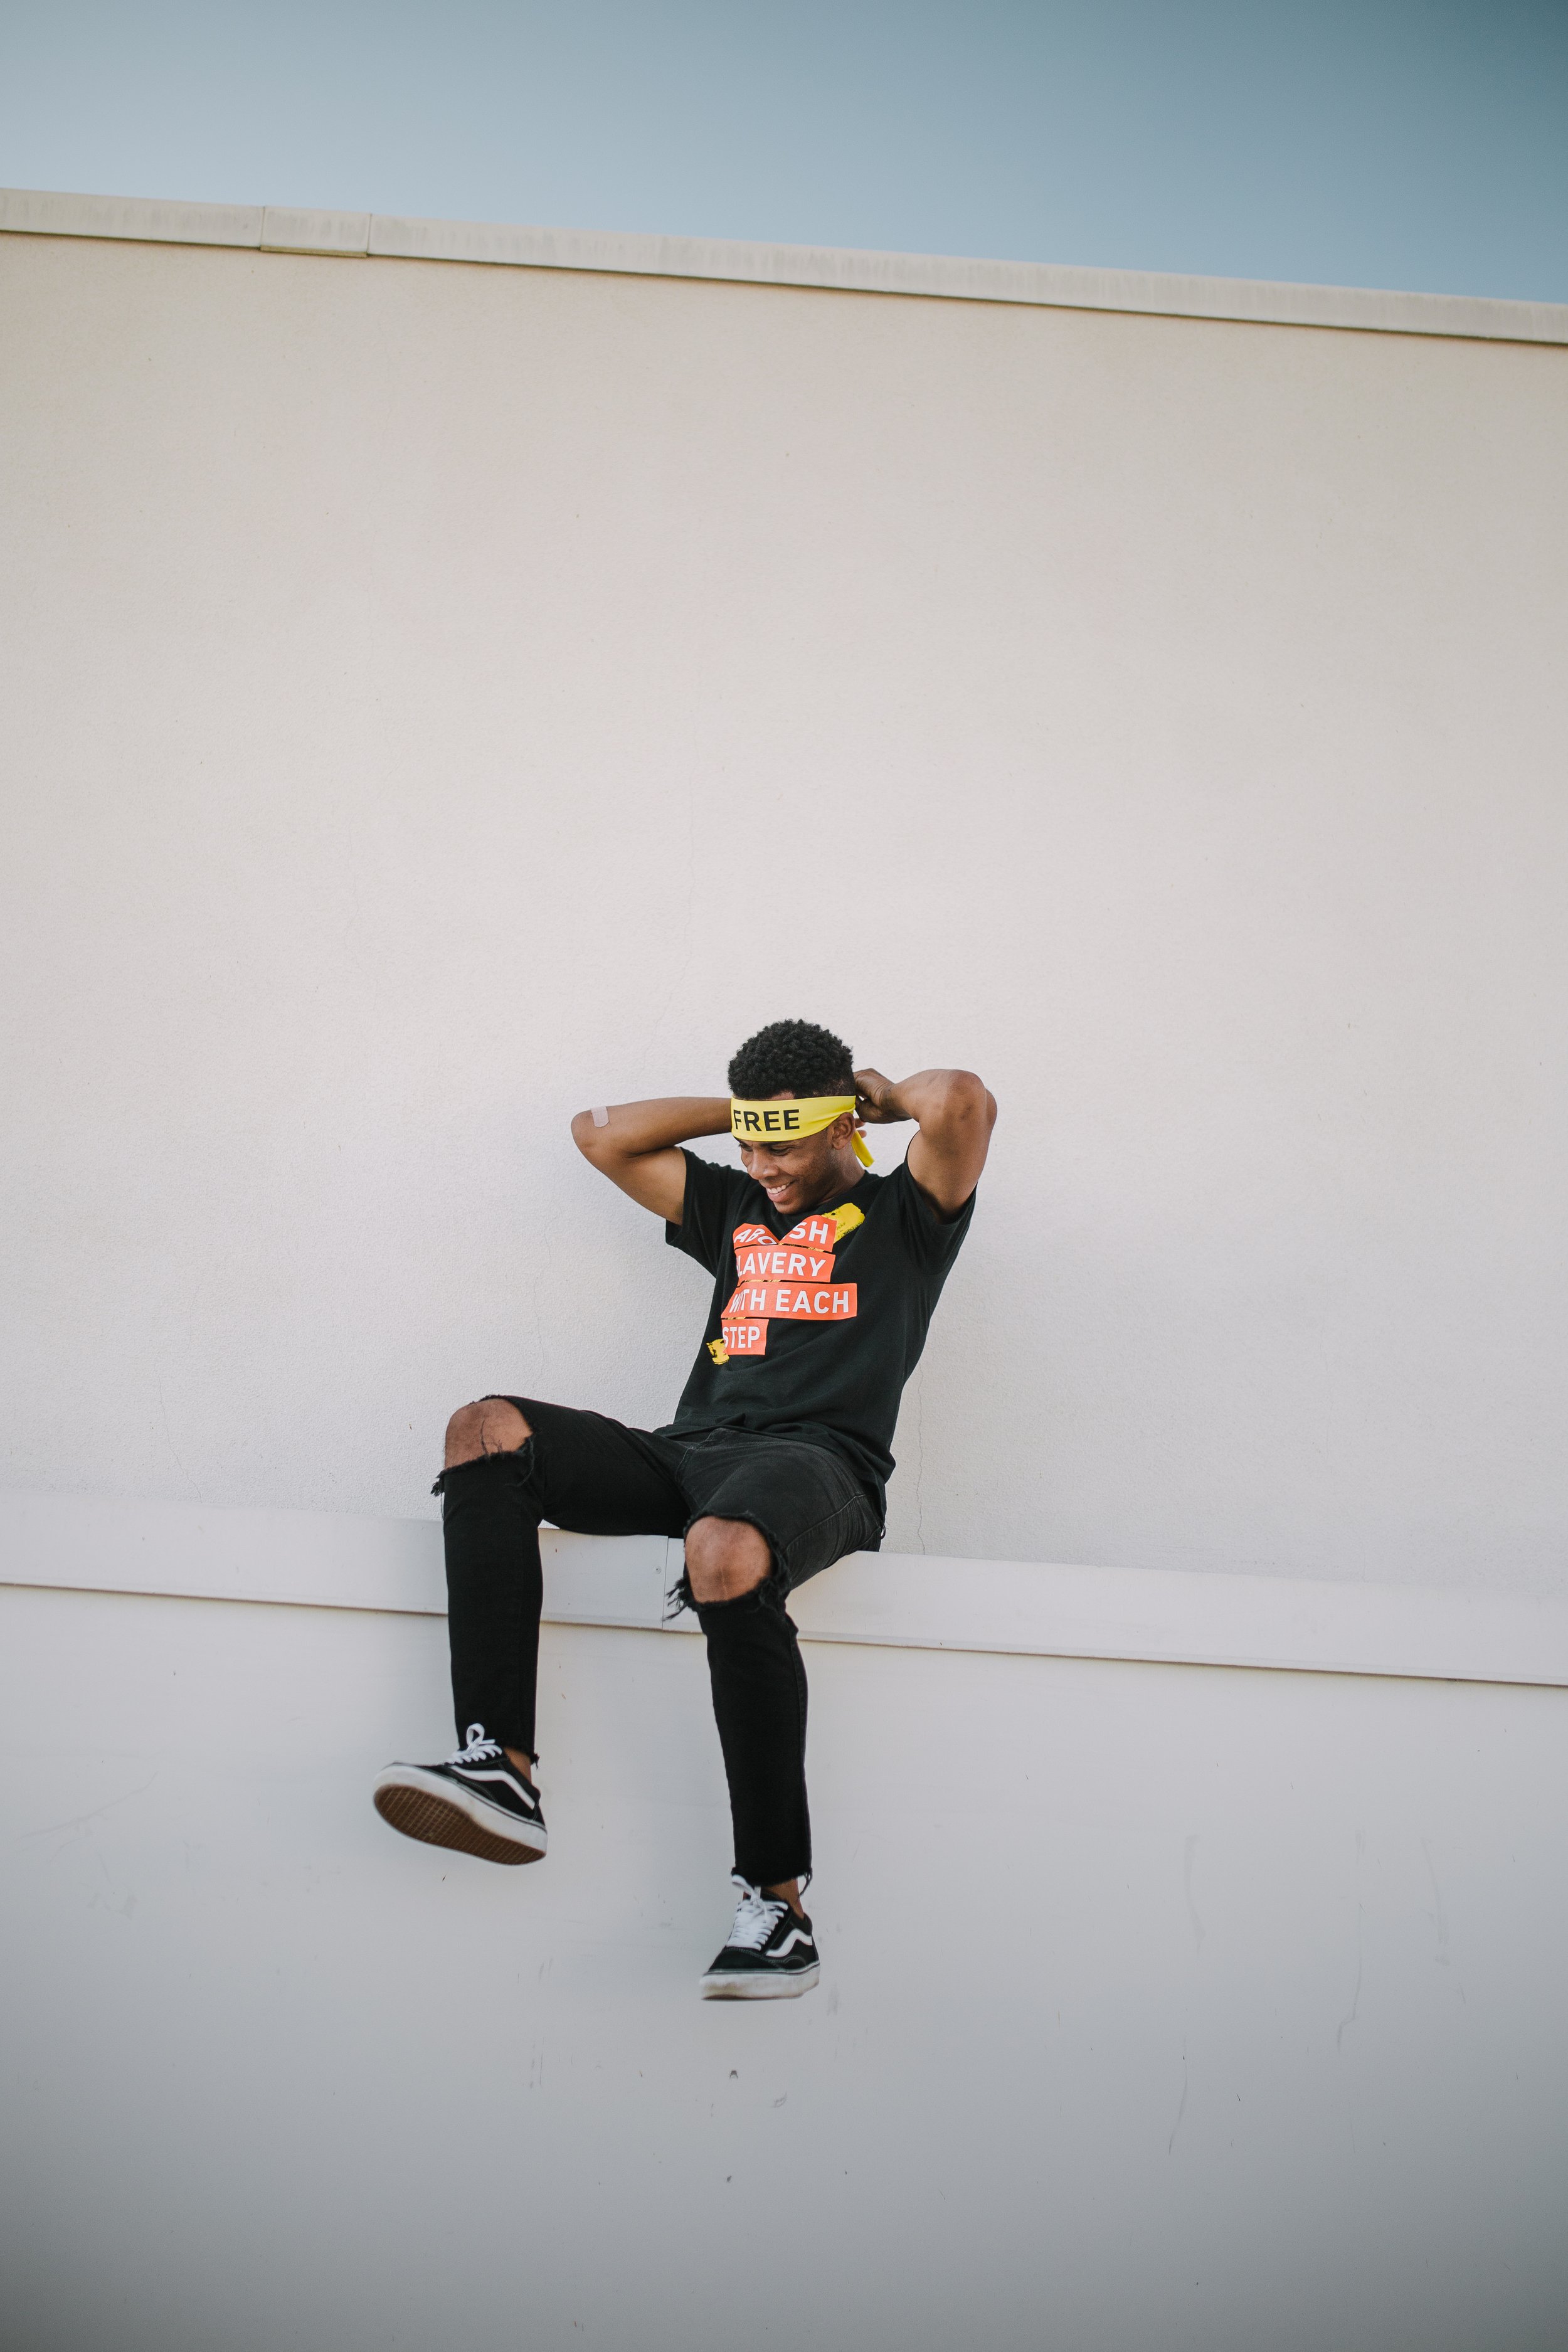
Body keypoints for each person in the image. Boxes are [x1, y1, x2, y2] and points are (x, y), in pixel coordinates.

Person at [373, 1019, 995, 1998]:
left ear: (842, 1125)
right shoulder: (734, 1204)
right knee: (485, 1428)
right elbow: (599, 1133)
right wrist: (752, 1119)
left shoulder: (907, 1216)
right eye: (749, 1143)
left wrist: (871, 1094)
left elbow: (960, 1101)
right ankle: (501, 1769)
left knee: (723, 1549)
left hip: (820, 1462)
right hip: (690, 1450)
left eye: (783, 1143)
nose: (762, 1166)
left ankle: (777, 1907)